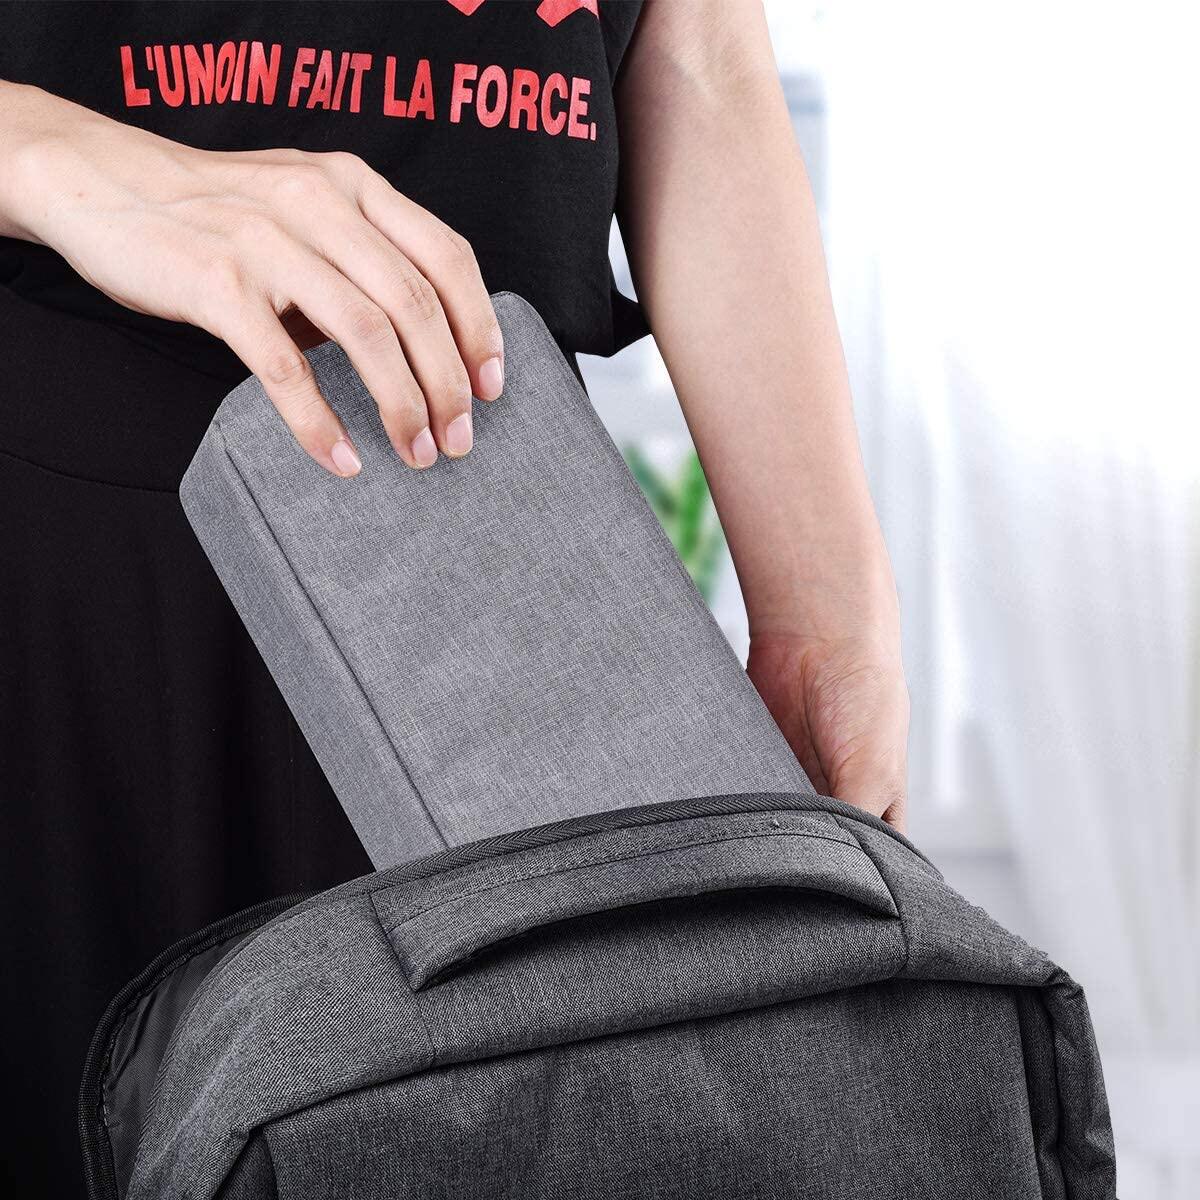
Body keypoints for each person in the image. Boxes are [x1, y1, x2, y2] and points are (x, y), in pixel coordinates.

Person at [0, 1, 908, 1195]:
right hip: (55, 532)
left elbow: (700, 54)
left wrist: (823, 614)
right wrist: (63, 155)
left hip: (508, 527)